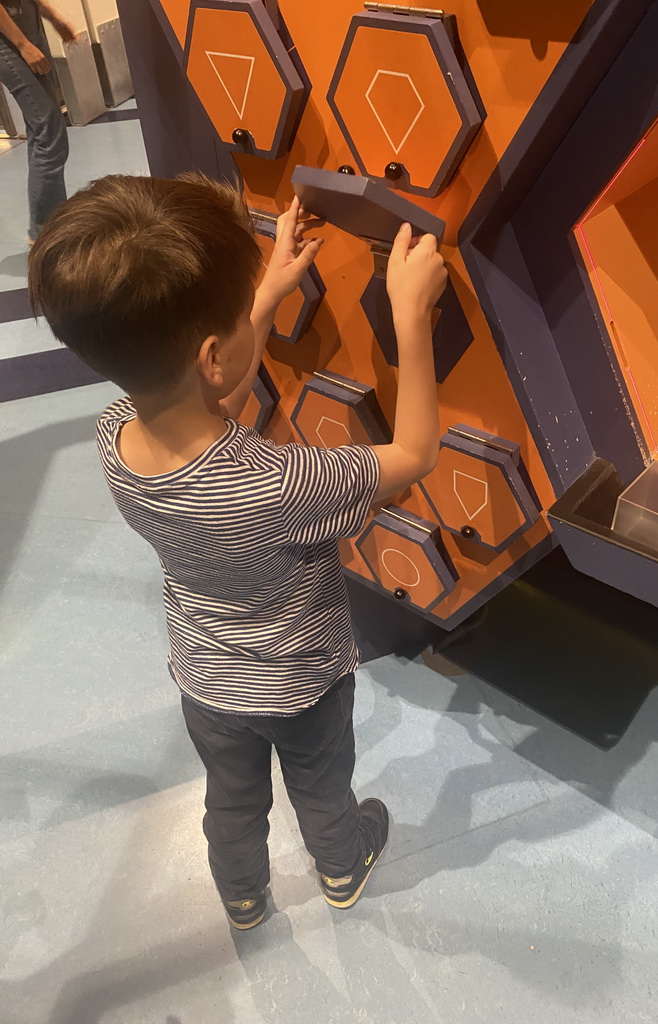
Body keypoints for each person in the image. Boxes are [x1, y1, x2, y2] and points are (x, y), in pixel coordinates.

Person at [27, 173, 446, 930]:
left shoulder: (115, 432)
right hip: (302, 684)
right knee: (323, 787)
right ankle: (343, 868)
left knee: (233, 796)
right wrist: (410, 316)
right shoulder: (280, 483)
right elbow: (413, 452)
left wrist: (270, 289)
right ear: (213, 354)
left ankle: (244, 894)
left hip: (207, 681)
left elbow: (204, 388)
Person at [0, 0, 74, 243]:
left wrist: (52, 17)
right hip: (8, 36)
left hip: (27, 23)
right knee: (48, 131)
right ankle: (47, 230)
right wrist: (22, 44)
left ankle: (48, 223)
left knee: (42, 130)